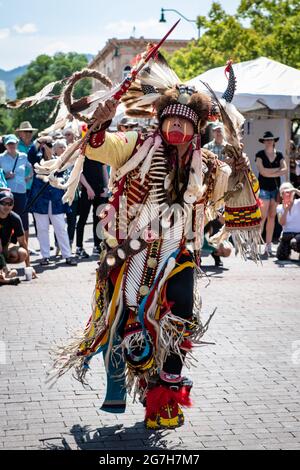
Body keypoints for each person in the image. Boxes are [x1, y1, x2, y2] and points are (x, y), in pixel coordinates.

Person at [42, 56, 262, 430]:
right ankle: (143, 378)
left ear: (196, 128)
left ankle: (165, 400)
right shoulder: (138, 143)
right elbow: (99, 148)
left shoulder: (208, 165)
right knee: (132, 324)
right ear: (160, 120)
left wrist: (240, 168)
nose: (176, 125)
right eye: (170, 118)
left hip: (178, 255)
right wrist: (100, 123)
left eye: (185, 121)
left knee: (180, 321)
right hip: (131, 253)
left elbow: (238, 201)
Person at [28, 139, 77, 266]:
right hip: (40, 200)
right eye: (45, 146)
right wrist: (39, 142)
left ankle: (67, 255)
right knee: (42, 228)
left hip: (56, 200)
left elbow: (63, 173)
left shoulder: (59, 161)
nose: (47, 148)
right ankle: (45, 256)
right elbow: (31, 154)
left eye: (50, 145)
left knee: (61, 228)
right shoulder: (37, 160)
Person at [255, 131, 288, 256]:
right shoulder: (259, 154)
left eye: (271, 139)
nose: (269, 141)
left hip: (275, 189)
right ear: (263, 142)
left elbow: (285, 170)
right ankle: (257, 245)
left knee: (272, 217)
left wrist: (270, 172)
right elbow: (262, 172)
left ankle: (268, 246)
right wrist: (276, 171)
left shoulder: (279, 155)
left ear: (274, 141)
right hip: (263, 188)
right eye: (266, 139)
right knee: (262, 217)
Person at [0, 134, 33, 240]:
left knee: (23, 218)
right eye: (9, 144)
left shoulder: (23, 156)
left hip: (22, 192)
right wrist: (6, 176)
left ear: (17, 144)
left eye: (13, 143)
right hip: (7, 194)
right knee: (8, 218)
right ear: (5, 145)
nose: (11, 146)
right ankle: (8, 245)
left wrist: (29, 176)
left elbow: (31, 166)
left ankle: (25, 246)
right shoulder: (1, 158)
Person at [76, 157, 109, 258]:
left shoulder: (100, 152)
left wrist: (106, 188)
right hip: (87, 191)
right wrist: (88, 188)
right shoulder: (83, 153)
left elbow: (104, 171)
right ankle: (79, 247)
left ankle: (97, 246)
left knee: (98, 220)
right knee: (82, 219)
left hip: (100, 190)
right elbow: (79, 173)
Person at [0, 190, 36, 280]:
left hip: (4, 247)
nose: (7, 206)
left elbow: (23, 243)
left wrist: (29, 267)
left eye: (10, 203)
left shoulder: (15, 218)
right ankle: (4, 269)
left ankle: (3, 267)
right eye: (3, 203)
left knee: (22, 253)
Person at [276, 182, 300, 260]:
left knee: (295, 241)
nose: (287, 195)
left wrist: (295, 190)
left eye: (288, 192)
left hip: (299, 234)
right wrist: (286, 210)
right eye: (284, 193)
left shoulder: (298, 203)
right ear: (281, 195)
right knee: (281, 256)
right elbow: (282, 223)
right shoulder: (279, 207)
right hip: (287, 234)